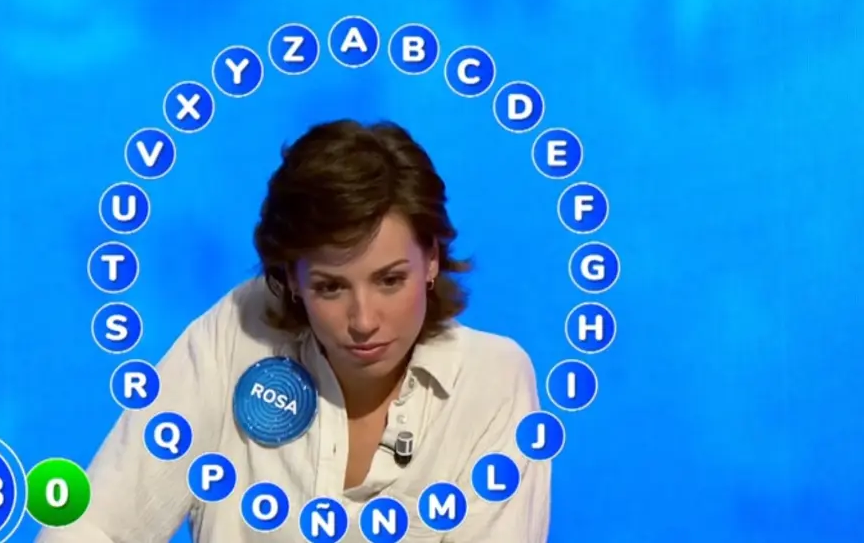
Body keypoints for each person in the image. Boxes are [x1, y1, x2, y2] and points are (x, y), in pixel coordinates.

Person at [36, 120, 550, 542]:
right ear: (291, 279)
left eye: (390, 280)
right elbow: (98, 524)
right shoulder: (238, 329)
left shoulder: (493, 380)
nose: (363, 320)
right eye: (330, 287)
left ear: (431, 259)